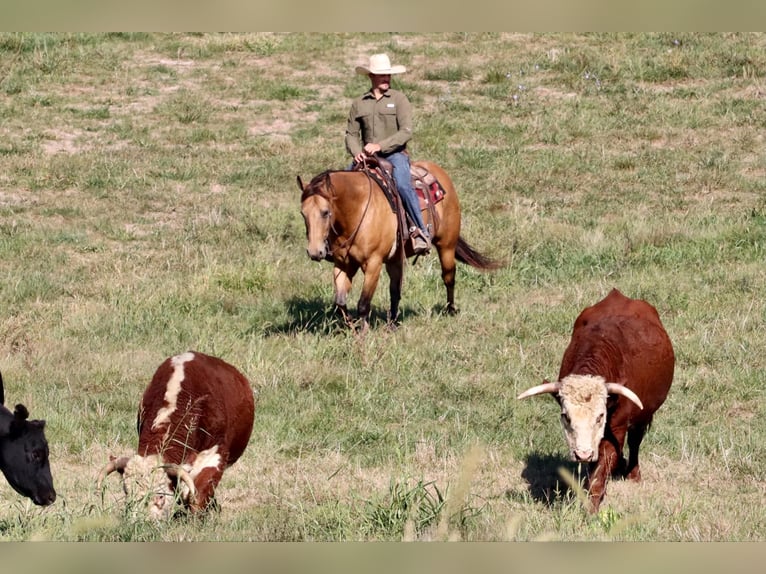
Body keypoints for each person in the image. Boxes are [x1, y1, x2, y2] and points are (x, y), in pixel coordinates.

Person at [345, 53, 431, 255]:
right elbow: (351, 134)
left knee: (402, 184)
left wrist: (380, 146)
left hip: (394, 155)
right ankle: (339, 237)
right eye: (382, 75)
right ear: (371, 77)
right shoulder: (359, 103)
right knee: (343, 186)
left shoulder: (399, 99)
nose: (387, 79)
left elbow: (406, 132)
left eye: (388, 75)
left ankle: (420, 231)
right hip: (366, 157)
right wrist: (357, 152)